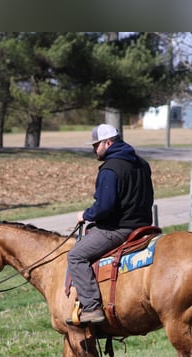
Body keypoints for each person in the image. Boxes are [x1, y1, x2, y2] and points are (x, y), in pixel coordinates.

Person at [66, 123, 155, 324]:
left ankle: (91, 307)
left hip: (118, 229)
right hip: (144, 227)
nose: (94, 149)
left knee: (76, 256)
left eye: (96, 145)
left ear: (108, 142)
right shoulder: (142, 164)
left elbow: (105, 207)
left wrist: (86, 215)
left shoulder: (110, 168)